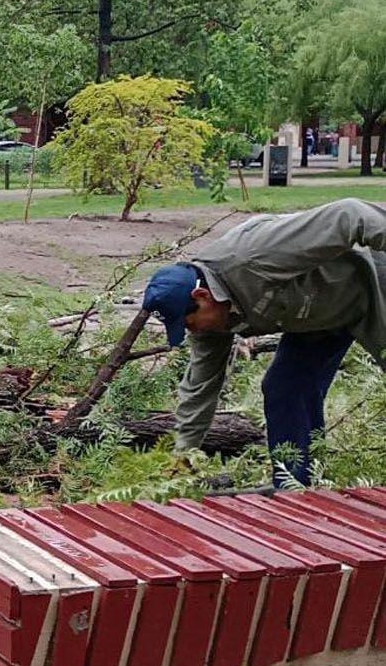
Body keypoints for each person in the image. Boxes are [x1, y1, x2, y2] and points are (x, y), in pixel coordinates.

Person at [143, 198, 386, 487]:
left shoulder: (254, 254)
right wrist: (181, 461)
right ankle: (295, 488)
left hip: (373, 285)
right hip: (319, 314)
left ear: (202, 297)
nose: (191, 331)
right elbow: (199, 390)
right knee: (284, 388)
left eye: (187, 323)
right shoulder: (210, 322)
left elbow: (352, 215)